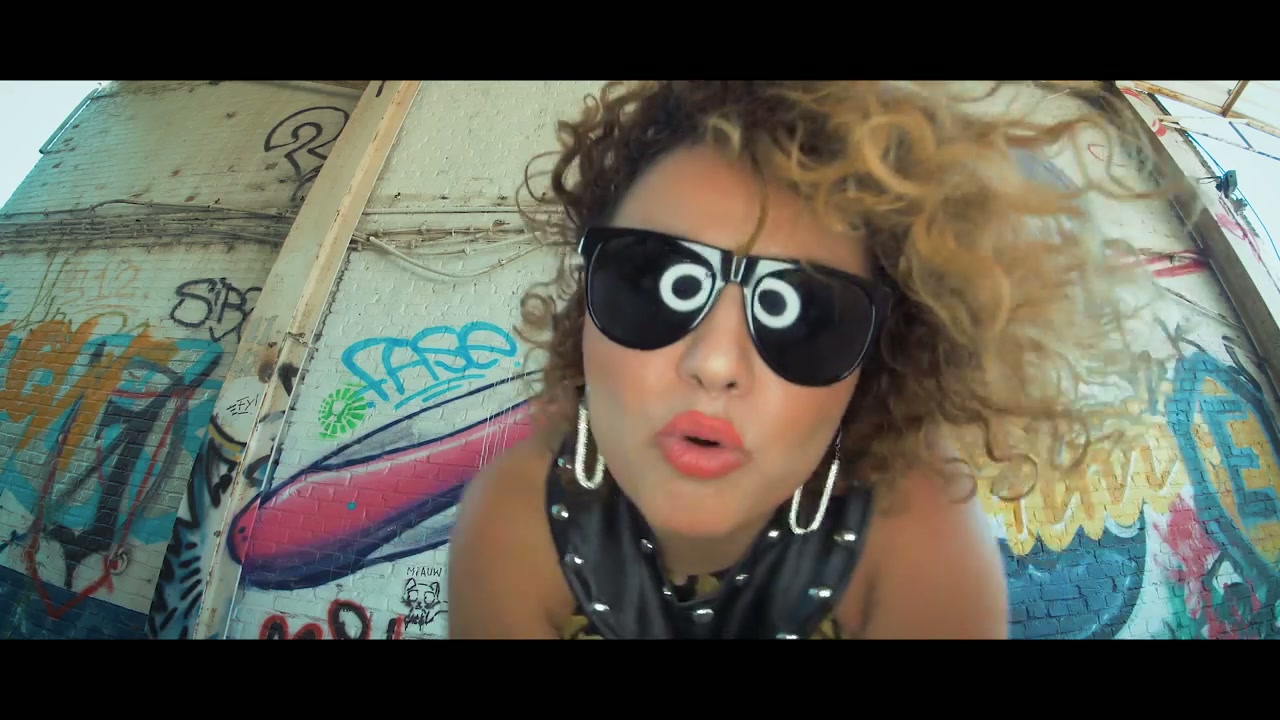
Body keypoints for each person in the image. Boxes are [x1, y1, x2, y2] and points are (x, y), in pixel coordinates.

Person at [447, 81, 1162, 639]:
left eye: (802, 313)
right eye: (660, 283)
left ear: (875, 365)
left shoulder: (918, 535)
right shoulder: (513, 521)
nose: (715, 363)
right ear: (584, 314)